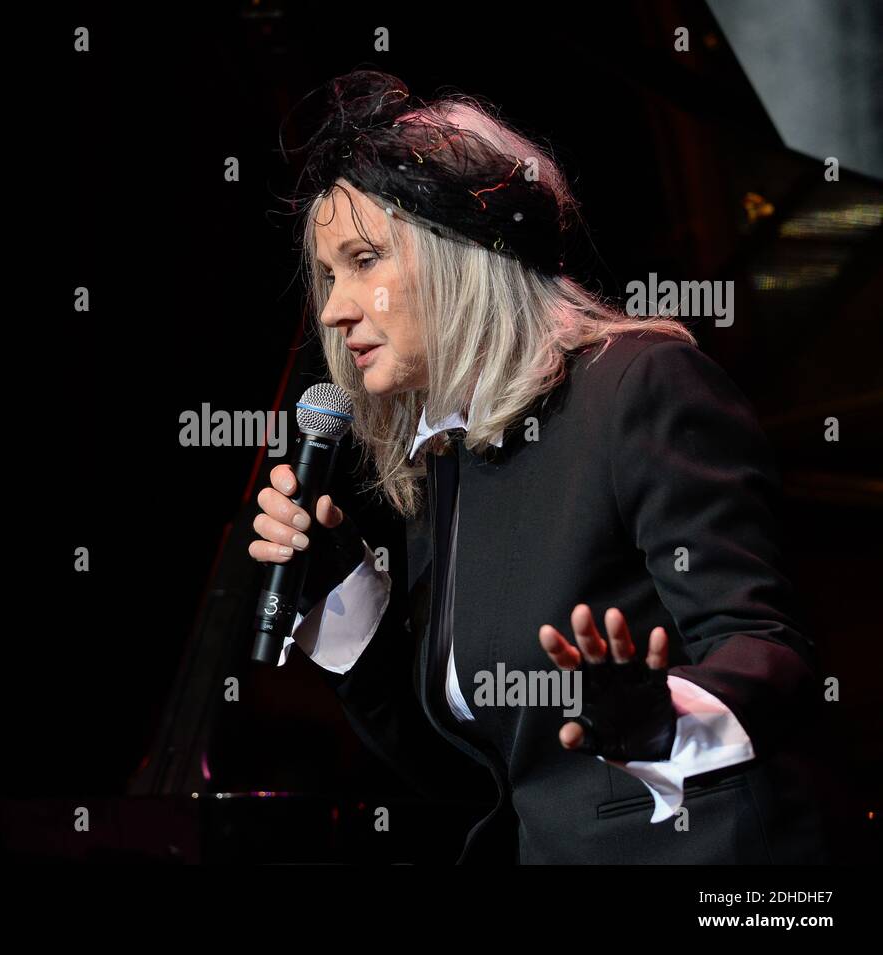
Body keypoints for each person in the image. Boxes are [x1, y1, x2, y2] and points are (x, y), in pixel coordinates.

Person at [249, 70, 831, 863]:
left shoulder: (639, 387)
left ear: (462, 251)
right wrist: (342, 594)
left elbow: (770, 648)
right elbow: (474, 774)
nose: (332, 308)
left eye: (363, 259)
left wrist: (662, 715)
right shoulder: (451, 458)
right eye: (327, 274)